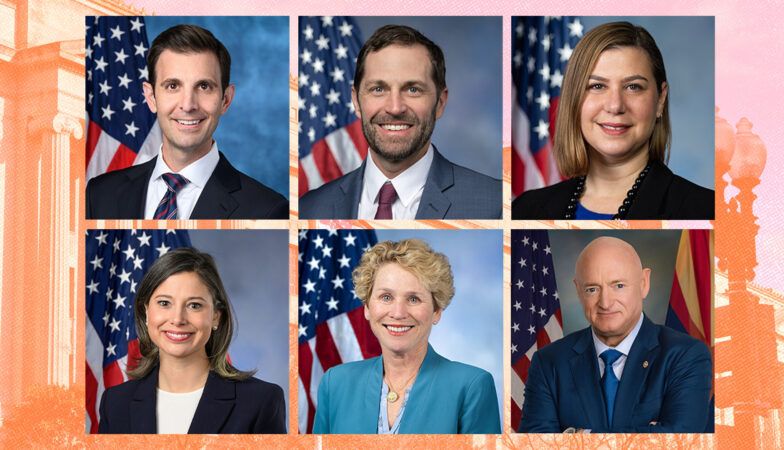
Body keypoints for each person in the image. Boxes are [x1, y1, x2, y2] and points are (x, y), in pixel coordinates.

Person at [512, 22, 713, 220]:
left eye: (633, 87)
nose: (615, 106)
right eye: (597, 86)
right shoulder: (526, 210)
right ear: (574, 98)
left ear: (660, 99)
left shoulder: (707, 209)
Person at [86, 24, 288, 220]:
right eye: (173, 86)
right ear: (151, 97)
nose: (188, 105)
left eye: (203, 86)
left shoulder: (267, 211)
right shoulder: (99, 194)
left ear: (225, 100)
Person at [299, 25, 501, 220]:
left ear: (440, 102)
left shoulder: (495, 204)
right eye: (378, 89)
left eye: (413, 89)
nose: (395, 108)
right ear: (356, 101)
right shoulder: (310, 208)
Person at [518, 236, 712, 433]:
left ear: (644, 283)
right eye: (592, 289)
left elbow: (680, 441)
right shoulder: (548, 362)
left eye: (618, 286)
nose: (605, 303)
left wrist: (580, 436)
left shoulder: (686, 355)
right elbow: (535, 443)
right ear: (578, 290)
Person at [313, 239, 501, 434]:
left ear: (437, 311)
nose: (398, 313)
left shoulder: (471, 387)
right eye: (386, 297)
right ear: (367, 307)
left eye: (413, 299)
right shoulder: (335, 384)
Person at [98, 248, 286, 434]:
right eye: (164, 303)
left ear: (216, 316)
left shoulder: (261, 402)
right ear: (146, 311)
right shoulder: (115, 403)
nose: (178, 319)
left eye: (194, 305)